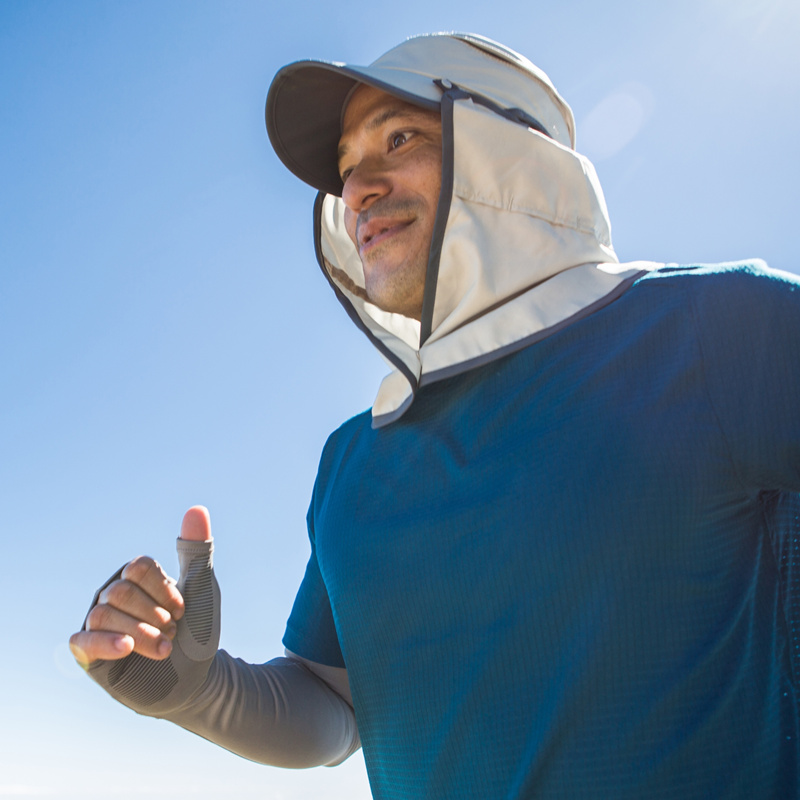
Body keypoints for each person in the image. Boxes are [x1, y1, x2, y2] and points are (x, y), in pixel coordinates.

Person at [70, 32, 800, 799]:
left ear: (511, 155)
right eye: (347, 168)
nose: (358, 190)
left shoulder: (718, 328)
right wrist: (200, 691)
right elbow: (337, 709)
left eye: (400, 138)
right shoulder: (352, 457)